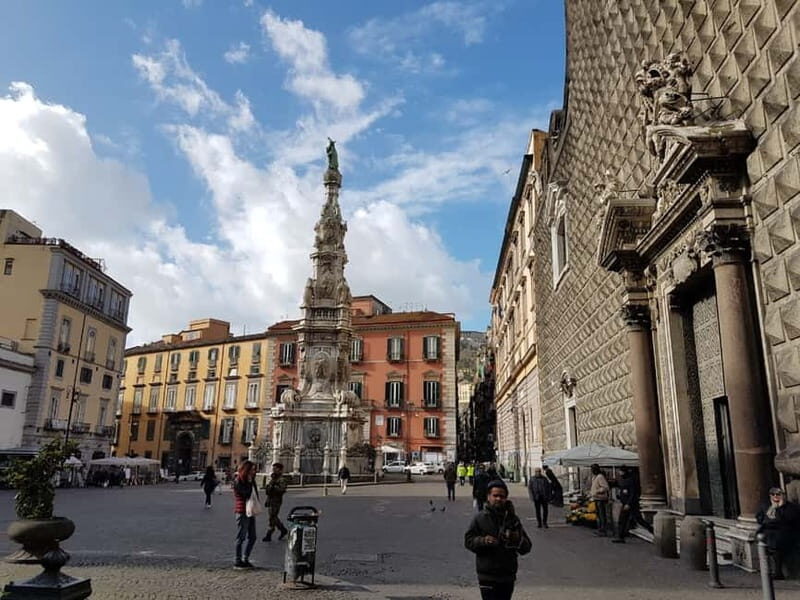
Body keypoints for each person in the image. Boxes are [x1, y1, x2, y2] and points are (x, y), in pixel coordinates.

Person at [465, 479, 532, 600]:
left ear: (506, 498)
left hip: (507, 575)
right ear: (488, 497)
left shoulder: (513, 519)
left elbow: (527, 547)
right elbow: (468, 541)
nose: (498, 499)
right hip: (487, 576)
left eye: (502, 496)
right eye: (495, 495)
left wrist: (517, 538)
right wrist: (483, 541)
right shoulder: (480, 518)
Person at [756, 487, 800, 579]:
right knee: (767, 540)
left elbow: (786, 521)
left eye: (778, 494)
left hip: (784, 532)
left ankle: (778, 572)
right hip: (768, 532)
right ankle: (771, 569)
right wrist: (771, 511)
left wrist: (778, 509)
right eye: (773, 494)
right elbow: (760, 518)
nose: (775, 496)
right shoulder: (766, 506)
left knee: (776, 542)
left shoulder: (790, 507)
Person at [612, 466, 651, 543]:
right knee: (623, 520)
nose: (619, 473)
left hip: (631, 504)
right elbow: (624, 490)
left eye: (620, 472)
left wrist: (628, 503)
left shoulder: (630, 480)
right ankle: (621, 537)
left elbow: (632, 493)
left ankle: (652, 530)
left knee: (638, 520)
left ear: (624, 472)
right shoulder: (624, 480)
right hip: (626, 503)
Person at [233, 460, 257, 569]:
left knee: (253, 537)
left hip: (250, 510)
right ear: (246, 470)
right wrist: (250, 482)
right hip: (242, 511)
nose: (254, 471)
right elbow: (246, 494)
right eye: (252, 469)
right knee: (241, 537)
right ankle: (237, 560)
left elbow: (254, 494)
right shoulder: (238, 481)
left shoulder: (250, 480)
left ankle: (245, 558)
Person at [262, 462, 289, 542]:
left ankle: (269, 534)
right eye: (273, 469)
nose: (274, 471)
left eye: (275, 469)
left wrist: (274, 486)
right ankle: (283, 530)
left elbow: (282, 490)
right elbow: (268, 488)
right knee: (273, 517)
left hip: (276, 500)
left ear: (280, 470)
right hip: (270, 499)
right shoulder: (273, 478)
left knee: (272, 517)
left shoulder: (282, 479)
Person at [590, 464, 611, 537]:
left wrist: (597, 491)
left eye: (592, 469)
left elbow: (605, 487)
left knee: (602, 515)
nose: (591, 471)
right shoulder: (594, 477)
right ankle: (600, 529)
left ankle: (603, 530)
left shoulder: (600, 477)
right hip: (596, 498)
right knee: (599, 515)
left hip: (600, 498)